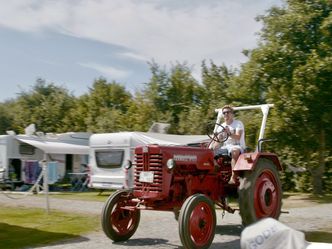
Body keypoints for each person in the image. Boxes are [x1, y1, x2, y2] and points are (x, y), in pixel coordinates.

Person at [211, 105, 246, 182]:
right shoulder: (221, 126)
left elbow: (238, 137)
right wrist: (213, 147)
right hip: (226, 147)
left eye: (228, 112)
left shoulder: (238, 123)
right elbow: (218, 140)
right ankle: (215, 168)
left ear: (232, 114)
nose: (226, 114)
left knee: (234, 151)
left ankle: (233, 177)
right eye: (224, 113)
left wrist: (229, 133)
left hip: (237, 146)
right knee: (209, 152)